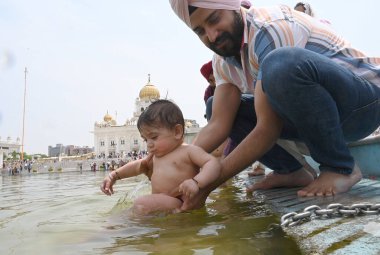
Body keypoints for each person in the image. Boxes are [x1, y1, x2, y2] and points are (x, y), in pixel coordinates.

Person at [168, 0, 380, 211]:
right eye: (200, 31)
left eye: (214, 19)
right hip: (320, 117)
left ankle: (340, 167)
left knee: (280, 65)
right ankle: (291, 171)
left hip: (365, 104)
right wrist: (171, 164)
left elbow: (267, 128)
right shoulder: (222, 61)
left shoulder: (268, 28)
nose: (212, 36)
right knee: (216, 105)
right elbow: (218, 124)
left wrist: (205, 184)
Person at [101, 99, 221, 215]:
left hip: (181, 203)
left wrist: (196, 182)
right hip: (163, 203)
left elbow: (212, 163)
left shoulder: (188, 151)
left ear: (177, 132)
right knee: (132, 210)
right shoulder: (155, 157)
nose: (149, 144)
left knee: (141, 204)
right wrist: (114, 175)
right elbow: (137, 166)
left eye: (154, 137)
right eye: (145, 139)